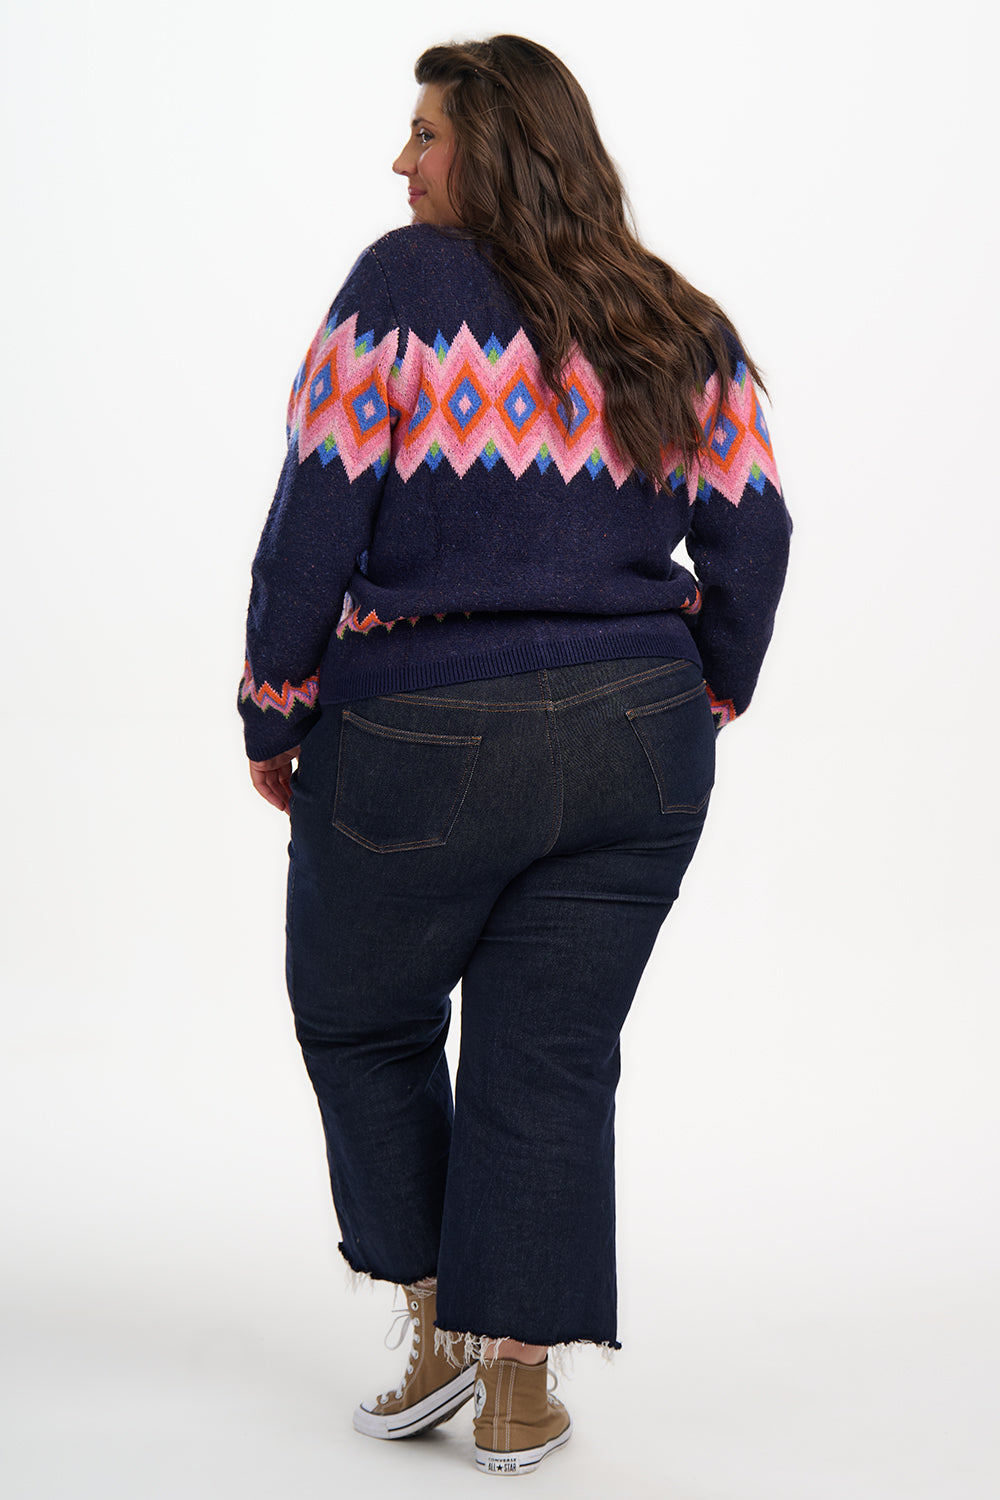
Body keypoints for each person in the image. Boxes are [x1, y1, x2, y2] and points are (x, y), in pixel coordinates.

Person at [239, 35, 790, 1476]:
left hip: (423, 726)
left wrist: (271, 703)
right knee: (550, 1060)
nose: (402, 162)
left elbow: (317, 517)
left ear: (491, 148)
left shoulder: (403, 290)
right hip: (641, 742)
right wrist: (703, 690)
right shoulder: (676, 315)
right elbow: (756, 530)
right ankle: (521, 1387)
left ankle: (437, 1320)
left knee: (360, 1020)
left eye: (423, 135)